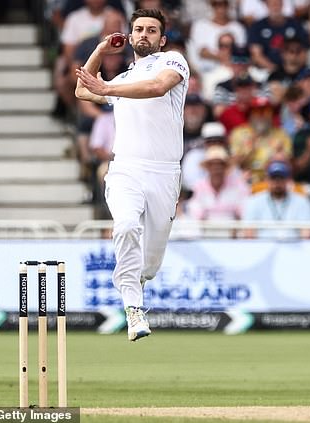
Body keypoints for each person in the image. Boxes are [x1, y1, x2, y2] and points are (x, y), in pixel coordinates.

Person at [75, 8, 190, 342]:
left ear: (162, 38)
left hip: (165, 172)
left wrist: (107, 89)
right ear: (129, 36)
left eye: (151, 30)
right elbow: (83, 91)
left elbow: (156, 88)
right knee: (125, 226)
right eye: (138, 29)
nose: (144, 34)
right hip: (125, 168)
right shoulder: (122, 80)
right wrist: (99, 51)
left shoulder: (173, 61)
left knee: (149, 265)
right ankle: (133, 309)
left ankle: (136, 284)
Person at [242, 160, 310, 239]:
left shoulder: (302, 202)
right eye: (273, 178)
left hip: (293, 246)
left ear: (288, 180)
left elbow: (307, 232)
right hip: (263, 246)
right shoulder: (254, 201)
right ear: (267, 180)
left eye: (281, 178)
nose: (277, 182)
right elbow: (249, 232)